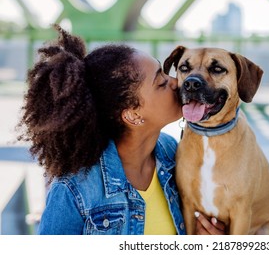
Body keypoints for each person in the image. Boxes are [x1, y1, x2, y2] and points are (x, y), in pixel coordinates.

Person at [18, 25, 225, 235]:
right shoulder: (74, 189)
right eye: (161, 82)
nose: (176, 82)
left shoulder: (173, 154)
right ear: (132, 115)